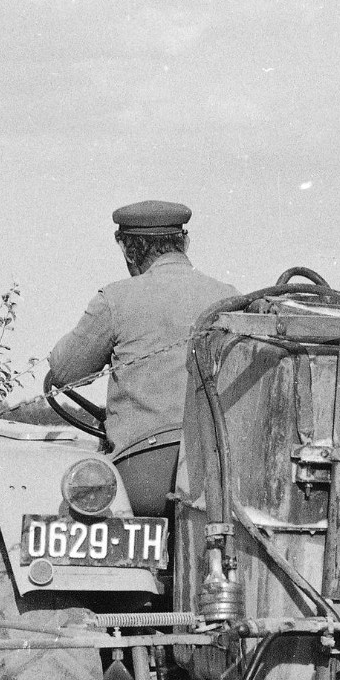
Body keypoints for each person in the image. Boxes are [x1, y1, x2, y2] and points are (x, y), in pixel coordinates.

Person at [44, 199, 233, 515]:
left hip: (143, 478)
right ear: (184, 242)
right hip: (214, 476)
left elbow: (64, 370)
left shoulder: (117, 298)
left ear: (129, 251)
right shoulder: (228, 296)